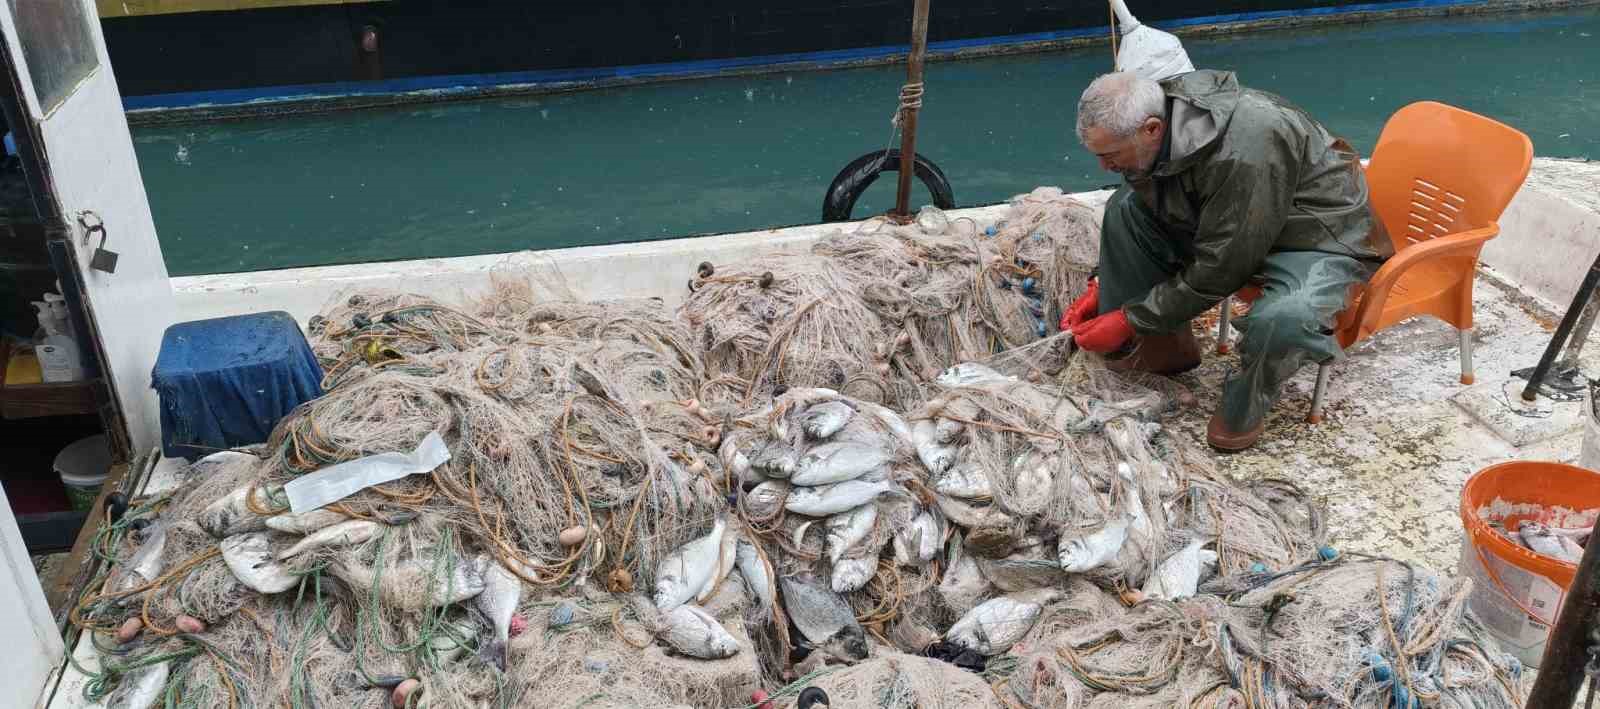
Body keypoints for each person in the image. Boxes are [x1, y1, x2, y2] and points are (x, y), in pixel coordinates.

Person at [1063, 70, 1392, 451]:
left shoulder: (1249, 147)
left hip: (1318, 238)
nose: (1105, 168)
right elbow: (1169, 209)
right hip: (1239, 221)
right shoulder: (1160, 120)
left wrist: (1129, 317)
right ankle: (1163, 350)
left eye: (1111, 156)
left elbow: (1223, 266)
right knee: (1124, 209)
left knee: (1285, 318)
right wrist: (1105, 284)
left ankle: (1245, 403)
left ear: (1152, 129)